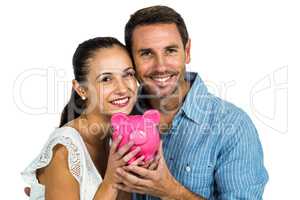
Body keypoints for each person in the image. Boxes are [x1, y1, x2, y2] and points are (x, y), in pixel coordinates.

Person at [112, 5, 269, 200]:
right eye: (146, 53)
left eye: (170, 50)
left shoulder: (234, 126)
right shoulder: (118, 118)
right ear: (131, 60)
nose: (160, 66)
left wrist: (171, 191)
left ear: (186, 52)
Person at [21, 37, 157, 200]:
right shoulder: (64, 152)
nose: (122, 88)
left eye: (128, 74)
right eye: (106, 79)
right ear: (81, 89)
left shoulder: (118, 137)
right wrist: (112, 181)